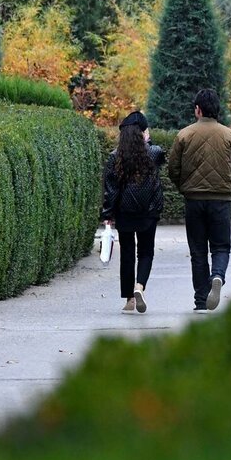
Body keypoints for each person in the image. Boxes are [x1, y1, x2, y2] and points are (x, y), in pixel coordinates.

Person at [168, 89, 231, 311]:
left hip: (193, 200)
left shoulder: (184, 135)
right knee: (221, 246)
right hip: (221, 200)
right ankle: (218, 276)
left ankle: (201, 300)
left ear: (198, 109)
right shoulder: (230, 135)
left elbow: (173, 168)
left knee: (198, 251)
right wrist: (228, 183)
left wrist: (184, 186)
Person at [101, 111, 166, 314]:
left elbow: (110, 190)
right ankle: (140, 287)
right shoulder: (153, 153)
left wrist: (107, 216)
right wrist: (149, 141)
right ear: (143, 133)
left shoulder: (115, 157)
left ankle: (129, 299)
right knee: (146, 252)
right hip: (148, 212)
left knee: (127, 254)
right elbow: (162, 157)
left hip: (124, 212)